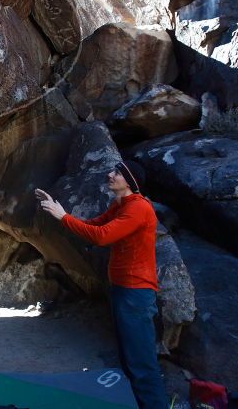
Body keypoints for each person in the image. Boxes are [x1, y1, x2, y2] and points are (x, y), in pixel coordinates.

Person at [35, 161, 168, 409]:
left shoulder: (139, 208)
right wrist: (61, 211)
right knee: (129, 359)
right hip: (123, 289)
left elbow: (102, 236)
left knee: (141, 362)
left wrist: (62, 217)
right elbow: (96, 225)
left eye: (116, 172)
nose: (110, 174)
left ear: (128, 181)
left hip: (136, 292)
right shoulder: (119, 204)